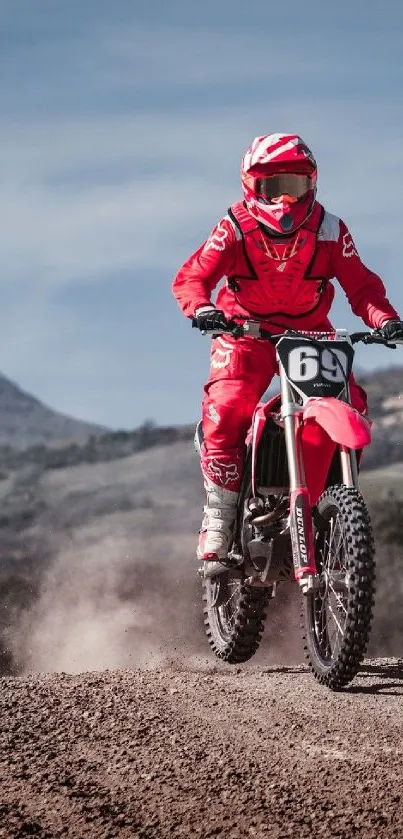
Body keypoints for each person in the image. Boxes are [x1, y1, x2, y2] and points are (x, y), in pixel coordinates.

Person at [172, 133, 403, 562]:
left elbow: (362, 287)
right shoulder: (234, 227)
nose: (283, 200)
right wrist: (201, 309)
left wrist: (385, 319)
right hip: (244, 331)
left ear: (311, 184)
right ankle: (220, 515)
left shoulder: (330, 229)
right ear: (250, 186)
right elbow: (192, 277)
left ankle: (326, 502)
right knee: (228, 406)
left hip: (310, 333)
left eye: (293, 186)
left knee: (353, 404)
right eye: (272, 187)